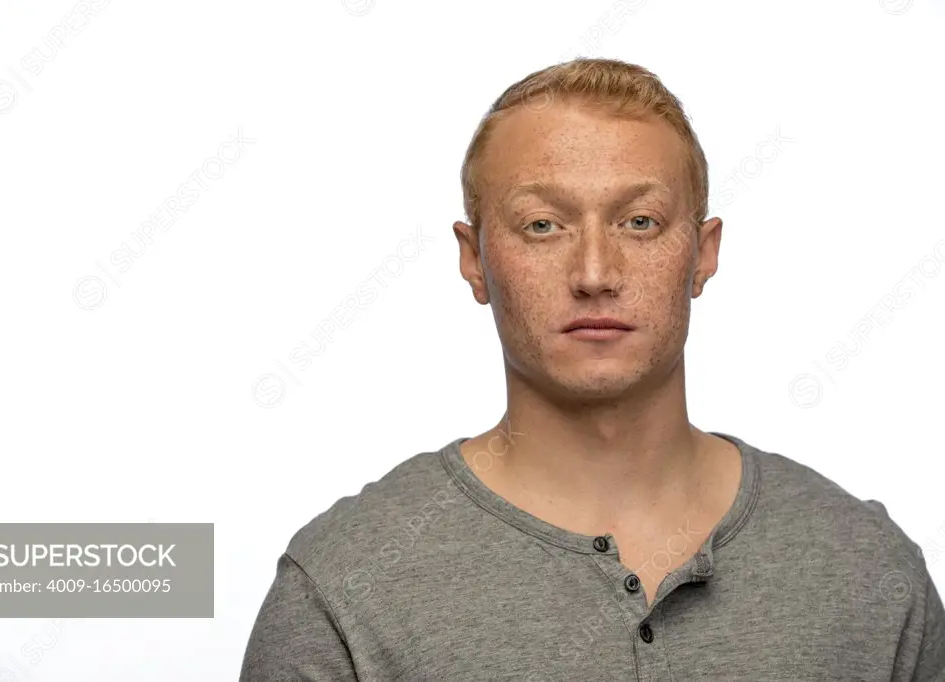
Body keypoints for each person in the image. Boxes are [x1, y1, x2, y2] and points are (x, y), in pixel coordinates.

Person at [239, 57, 944, 680]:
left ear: (702, 254)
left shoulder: (869, 571)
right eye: (543, 225)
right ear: (473, 258)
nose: (596, 273)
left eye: (640, 222)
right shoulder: (341, 588)